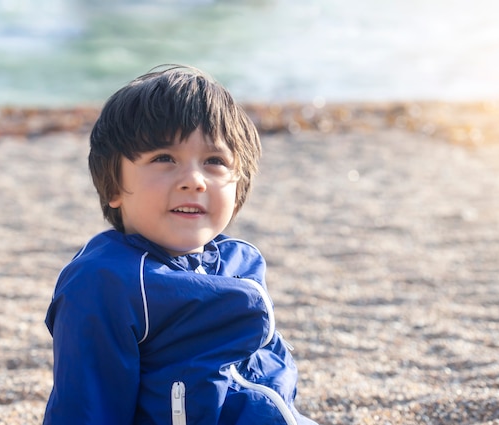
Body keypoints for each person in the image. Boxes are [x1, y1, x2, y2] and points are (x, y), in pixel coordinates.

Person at [43, 65, 318, 425]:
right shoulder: (106, 281)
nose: (194, 180)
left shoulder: (241, 261)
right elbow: (86, 408)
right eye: (163, 159)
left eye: (215, 161)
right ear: (113, 185)